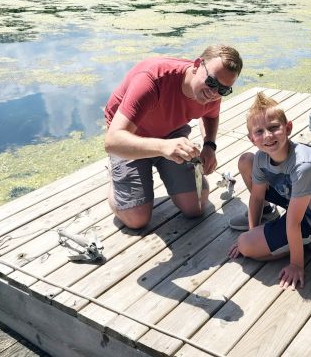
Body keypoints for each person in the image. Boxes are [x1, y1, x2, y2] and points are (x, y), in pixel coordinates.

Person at [104, 44, 242, 230]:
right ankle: (116, 176)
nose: (214, 93)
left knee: (197, 206)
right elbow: (112, 141)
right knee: (136, 219)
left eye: (224, 90)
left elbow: (211, 115)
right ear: (197, 65)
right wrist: (162, 147)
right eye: (211, 82)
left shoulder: (213, 92)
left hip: (172, 131)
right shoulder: (152, 80)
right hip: (130, 136)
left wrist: (209, 145)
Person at [228, 92, 311, 290]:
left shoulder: (304, 164)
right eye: (259, 131)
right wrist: (255, 234)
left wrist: (296, 265)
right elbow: (257, 197)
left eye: (273, 128)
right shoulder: (262, 157)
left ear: (288, 128)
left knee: (245, 246)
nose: (268, 136)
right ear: (251, 138)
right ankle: (274, 228)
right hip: (295, 202)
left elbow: (294, 221)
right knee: (246, 161)